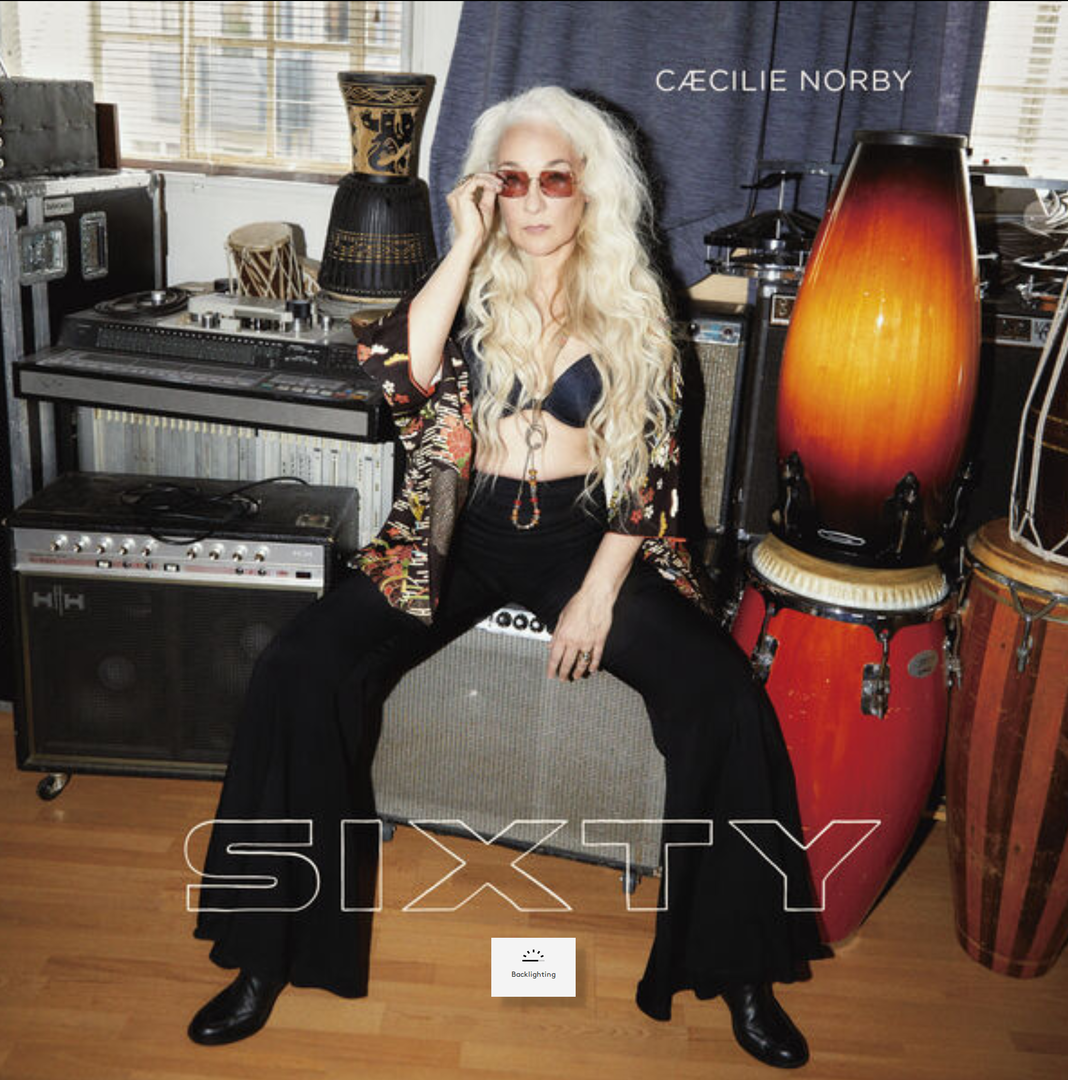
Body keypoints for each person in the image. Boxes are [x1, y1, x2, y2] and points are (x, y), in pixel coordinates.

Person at [188, 86, 830, 1068]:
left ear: (589, 188)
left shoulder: (634, 300)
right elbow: (397, 378)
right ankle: (265, 957)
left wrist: (599, 594)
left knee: (722, 697)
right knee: (297, 670)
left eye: (554, 180)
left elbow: (654, 465)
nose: (533, 201)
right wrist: (462, 243)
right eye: (513, 180)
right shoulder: (469, 284)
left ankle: (742, 969)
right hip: (458, 534)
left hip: (588, 538)